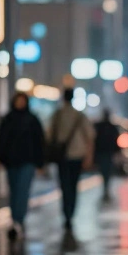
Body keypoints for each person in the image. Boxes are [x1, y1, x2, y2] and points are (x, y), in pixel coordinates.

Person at [0, 92, 45, 240]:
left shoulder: (32, 120)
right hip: (11, 162)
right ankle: (14, 220)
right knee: (14, 191)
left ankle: (19, 220)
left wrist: (40, 163)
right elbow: (0, 139)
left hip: (28, 162)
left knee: (23, 190)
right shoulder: (8, 119)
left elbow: (39, 142)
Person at [45, 89, 94, 230]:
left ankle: (66, 213)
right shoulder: (80, 116)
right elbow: (90, 137)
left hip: (62, 157)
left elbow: (49, 136)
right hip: (77, 156)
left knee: (64, 185)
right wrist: (88, 157)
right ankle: (70, 213)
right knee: (73, 186)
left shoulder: (57, 115)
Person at [93, 110, 121, 202]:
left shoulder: (99, 127)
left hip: (102, 153)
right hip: (108, 153)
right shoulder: (112, 127)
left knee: (104, 171)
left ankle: (105, 189)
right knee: (107, 172)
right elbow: (116, 141)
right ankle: (106, 189)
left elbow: (95, 140)